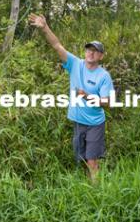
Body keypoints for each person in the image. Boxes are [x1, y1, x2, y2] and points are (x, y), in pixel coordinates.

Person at [28, 13, 114, 182]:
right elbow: (57, 46)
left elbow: (108, 103)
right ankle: (88, 181)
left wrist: (87, 96)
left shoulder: (104, 76)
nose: (91, 53)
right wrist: (45, 28)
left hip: (95, 123)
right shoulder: (75, 64)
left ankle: (97, 190)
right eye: (89, 49)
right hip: (78, 120)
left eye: (95, 51)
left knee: (91, 159)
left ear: (101, 56)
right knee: (81, 156)